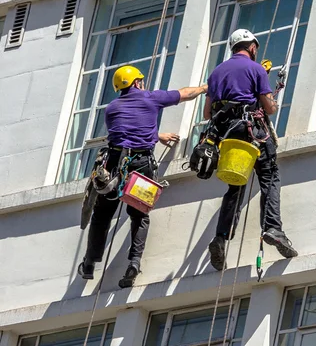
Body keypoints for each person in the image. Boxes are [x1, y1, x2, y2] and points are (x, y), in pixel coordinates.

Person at [78, 65, 207, 288]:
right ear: (137, 83)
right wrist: (205, 87)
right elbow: (185, 93)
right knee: (139, 213)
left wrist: (157, 135)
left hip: (113, 166)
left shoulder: (112, 109)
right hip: (142, 165)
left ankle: (89, 263)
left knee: (102, 215)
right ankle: (134, 262)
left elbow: (126, 132)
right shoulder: (151, 98)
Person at [204, 29, 297, 271]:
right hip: (253, 131)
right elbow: (269, 107)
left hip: (228, 137)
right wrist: (270, 97)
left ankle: (221, 238)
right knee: (269, 177)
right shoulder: (256, 70)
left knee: (236, 185)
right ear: (252, 47)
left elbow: (207, 113)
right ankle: (273, 228)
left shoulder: (216, 73)